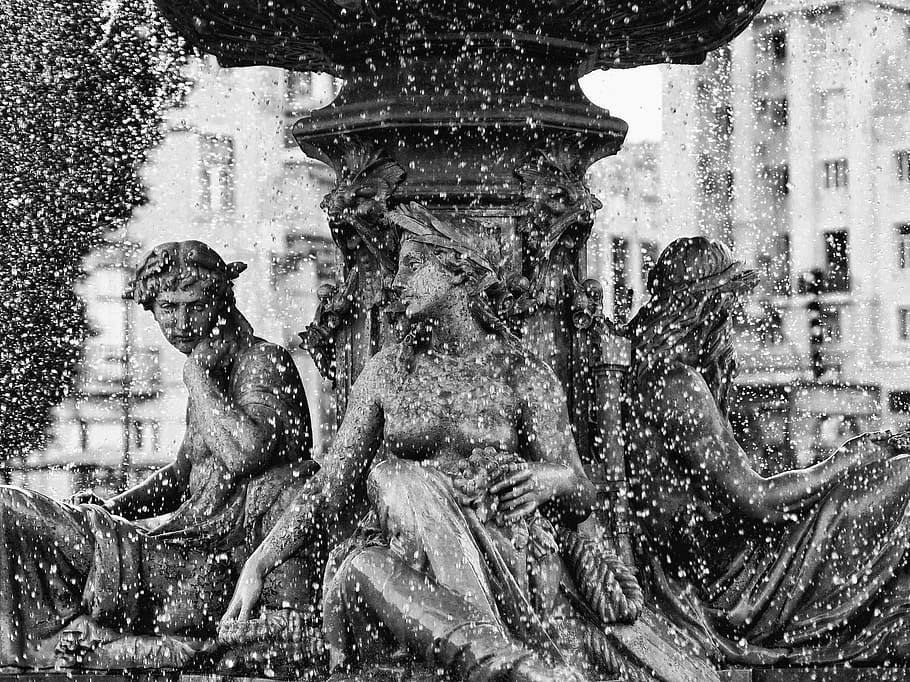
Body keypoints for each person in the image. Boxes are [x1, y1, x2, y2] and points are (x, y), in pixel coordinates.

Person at [220, 204, 651, 682]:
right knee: (387, 491)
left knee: (389, 493)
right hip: (400, 573)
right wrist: (260, 560)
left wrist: (547, 480)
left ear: (460, 272)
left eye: (412, 266)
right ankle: (514, 668)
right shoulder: (387, 372)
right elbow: (328, 489)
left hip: (500, 565)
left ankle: (493, 656)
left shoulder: (522, 374)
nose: (395, 283)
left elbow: (582, 491)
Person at [0, 240, 319, 668]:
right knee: (13, 517)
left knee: (9, 510)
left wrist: (197, 377)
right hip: (178, 548)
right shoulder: (212, 371)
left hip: (207, 569)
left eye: (195, 306)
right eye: (168, 308)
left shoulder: (262, 362)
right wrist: (116, 509)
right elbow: (182, 474)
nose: (181, 323)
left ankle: (35, 645)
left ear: (221, 302)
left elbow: (245, 454)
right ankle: (26, 644)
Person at [625, 236, 910, 666]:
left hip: (717, 559)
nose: (733, 318)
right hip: (734, 582)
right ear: (706, 309)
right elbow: (760, 502)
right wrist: (854, 456)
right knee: (905, 481)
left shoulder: (657, 375)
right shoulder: (677, 384)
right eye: (727, 306)